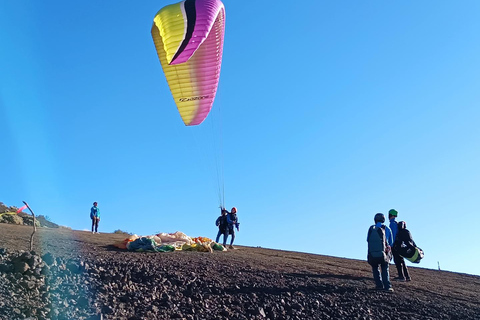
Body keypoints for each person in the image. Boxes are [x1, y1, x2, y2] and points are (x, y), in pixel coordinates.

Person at [367, 213, 394, 291]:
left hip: (372, 253)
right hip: (384, 252)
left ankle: (379, 285)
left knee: (375, 268)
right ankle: (387, 286)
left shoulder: (371, 229)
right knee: (385, 268)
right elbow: (391, 242)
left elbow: (368, 240)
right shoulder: (387, 229)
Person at [388, 208, 402, 281]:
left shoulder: (392, 224)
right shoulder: (396, 223)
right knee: (400, 259)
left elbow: (392, 235)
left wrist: (391, 245)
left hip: (395, 245)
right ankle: (405, 276)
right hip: (399, 244)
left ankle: (401, 276)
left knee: (397, 260)